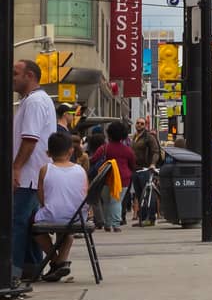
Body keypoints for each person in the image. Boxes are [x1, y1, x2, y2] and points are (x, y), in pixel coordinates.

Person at [12, 59, 55, 287]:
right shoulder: (31, 101)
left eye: (15, 73)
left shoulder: (35, 102)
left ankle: (14, 271)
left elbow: (29, 140)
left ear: (30, 75)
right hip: (30, 175)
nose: (12, 77)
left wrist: (16, 167)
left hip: (28, 175)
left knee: (17, 222)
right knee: (26, 223)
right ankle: (31, 267)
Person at [32, 131, 88, 282]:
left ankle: (56, 261)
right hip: (77, 218)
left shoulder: (45, 169)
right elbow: (84, 195)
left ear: (48, 153)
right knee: (67, 232)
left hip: (53, 215)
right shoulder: (80, 170)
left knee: (34, 229)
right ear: (71, 151)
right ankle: (60, 262)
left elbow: (41, 197)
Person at [94, 122, 136, 234]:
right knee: (117, 201)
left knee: (107, 201)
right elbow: (132, 165)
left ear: (109, 134)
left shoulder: (104, 148)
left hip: (105, 178)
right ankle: (116, 224)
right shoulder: (128, 150)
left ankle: (108, 224)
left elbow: (93, 160)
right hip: (123, 179)